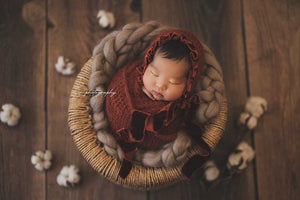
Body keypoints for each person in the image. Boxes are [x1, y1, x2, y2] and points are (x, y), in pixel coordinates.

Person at [105, 29, 210, 179]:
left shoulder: (178, 110)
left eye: (174, 82)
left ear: (189, 85)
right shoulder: (129, 77)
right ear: (146, 63)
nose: (160, 85)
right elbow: (115, 92)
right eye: (154, 73)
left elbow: (174, 128)